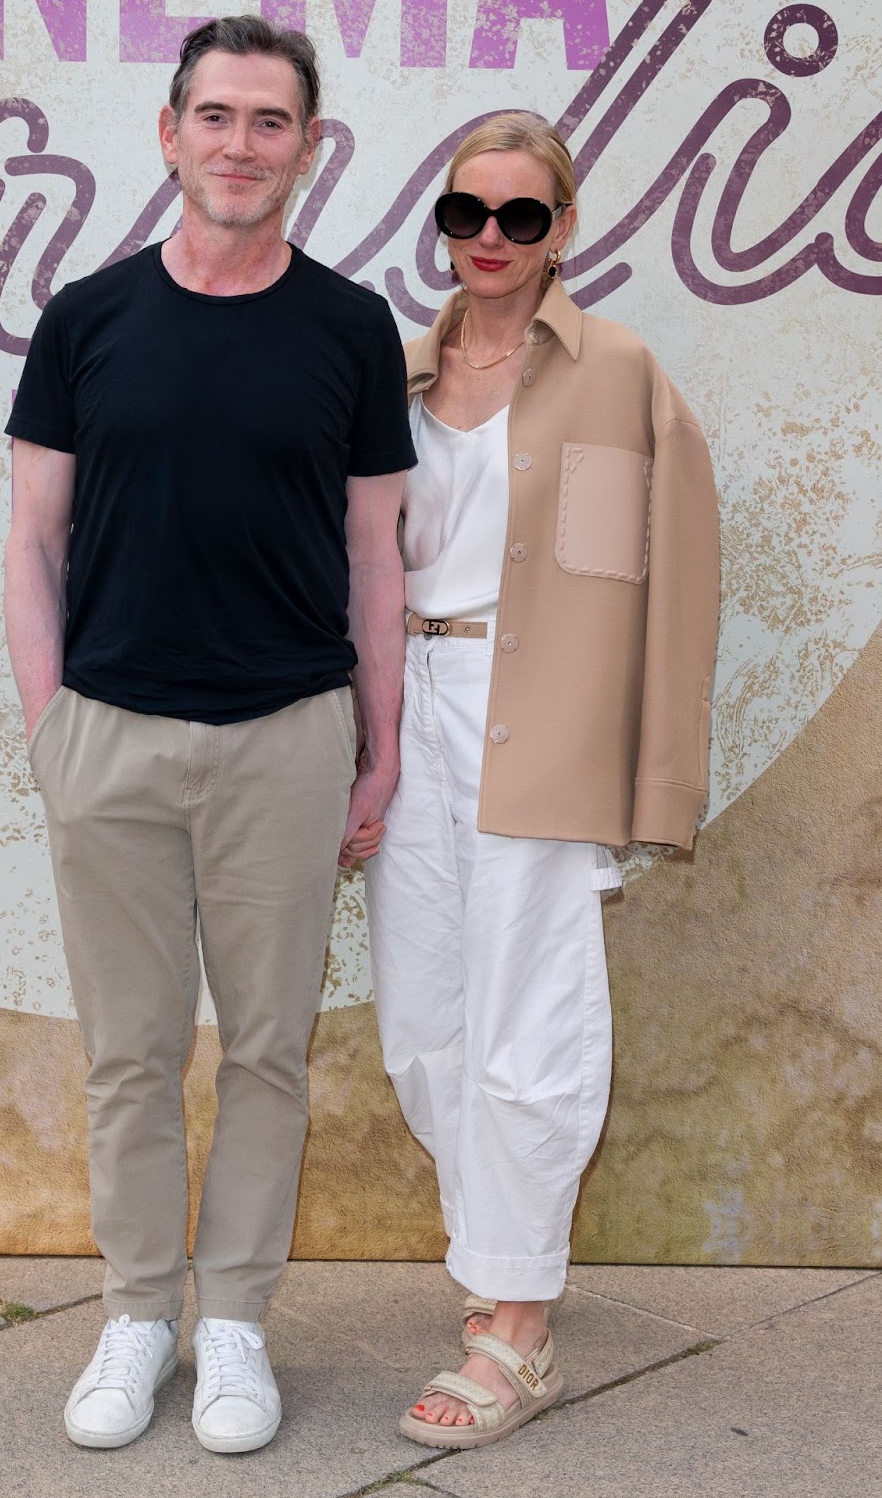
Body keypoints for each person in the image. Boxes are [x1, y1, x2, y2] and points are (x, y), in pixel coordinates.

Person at [3, 15, 414, 1455]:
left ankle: (232, 1319)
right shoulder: (86, 319)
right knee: (128, 1052)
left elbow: (375, 554)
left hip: (286, 738)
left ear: (307, 147)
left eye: (270, 121)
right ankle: (138, 1315)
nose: (241, 144)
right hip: (108, 736)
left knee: (266, 1051)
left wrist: (377, 745)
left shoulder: (350, 327)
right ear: (169, 133)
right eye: (218, 116)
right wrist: (52, 725)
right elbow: (33, 540)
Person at [364, 113, 720, 1449]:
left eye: (522, 217)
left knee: (532, 1016)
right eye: (468, 214)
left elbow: (675, 589)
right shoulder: (387, 382)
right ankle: (497, 1258)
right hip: (414, 718)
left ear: (563, 228)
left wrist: (654, 783)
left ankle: (515, 1322)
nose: (492, 241)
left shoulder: (619, 374)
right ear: (441, 223)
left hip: (548, 724)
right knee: (423, 1024)